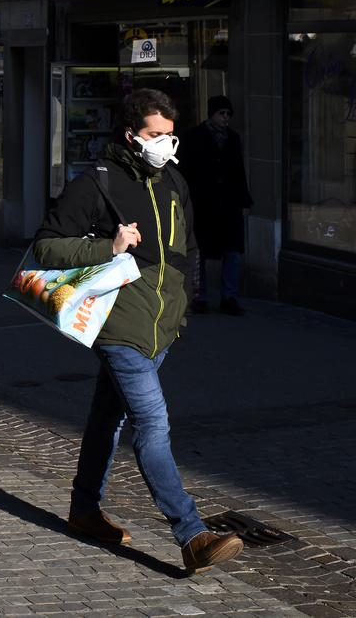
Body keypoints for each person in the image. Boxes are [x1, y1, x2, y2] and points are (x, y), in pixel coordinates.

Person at [33, 88, 244, 574]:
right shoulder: (97, 182)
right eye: (155, 135)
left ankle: (84, 510)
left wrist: (184, 308)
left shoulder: (174, 180)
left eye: (170, 136)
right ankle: (192, 535)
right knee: (153, 423)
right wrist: (108, 247)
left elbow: (187, 250)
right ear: (130, 135)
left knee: (109, 416)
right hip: (119, 325)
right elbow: (45, 248)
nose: (166, 145)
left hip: (162, 328)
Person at [178, 95, 254, 316]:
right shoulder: (194, 137)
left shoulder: (233, 138)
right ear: (212, 114)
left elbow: (239, 171)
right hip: (203, 203)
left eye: (228, 114)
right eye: (222, 113)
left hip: (228, 205)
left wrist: (243, 199)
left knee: (233, 250)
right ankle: (200, 296)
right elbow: (185, 171)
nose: (226, 118)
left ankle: (228, 296)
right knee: (200, 249)